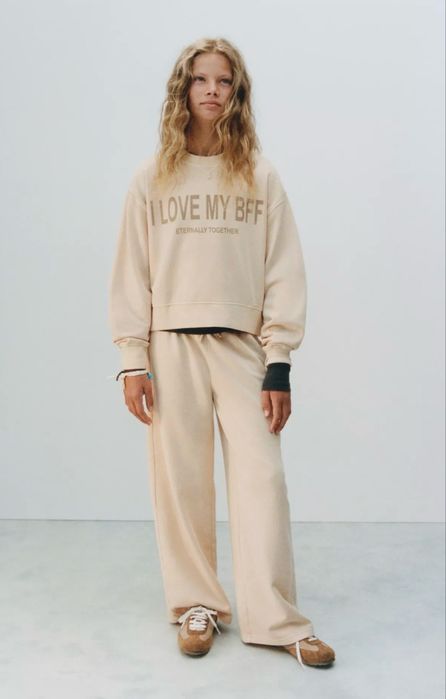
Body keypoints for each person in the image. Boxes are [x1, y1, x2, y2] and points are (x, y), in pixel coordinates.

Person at [108, 37, 335, 669]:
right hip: (169, 346)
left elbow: (283, 270)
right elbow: (131, 273)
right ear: (182, 90)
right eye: (200, 79)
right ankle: (196, 605)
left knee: (262, 479)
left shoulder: (259, 175)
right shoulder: (151, 178)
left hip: (241, 345)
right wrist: (132, 358)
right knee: (181, 482)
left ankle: (276, 618)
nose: (212, 90)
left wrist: (279, 360)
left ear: (237, 93)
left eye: (224, 81)